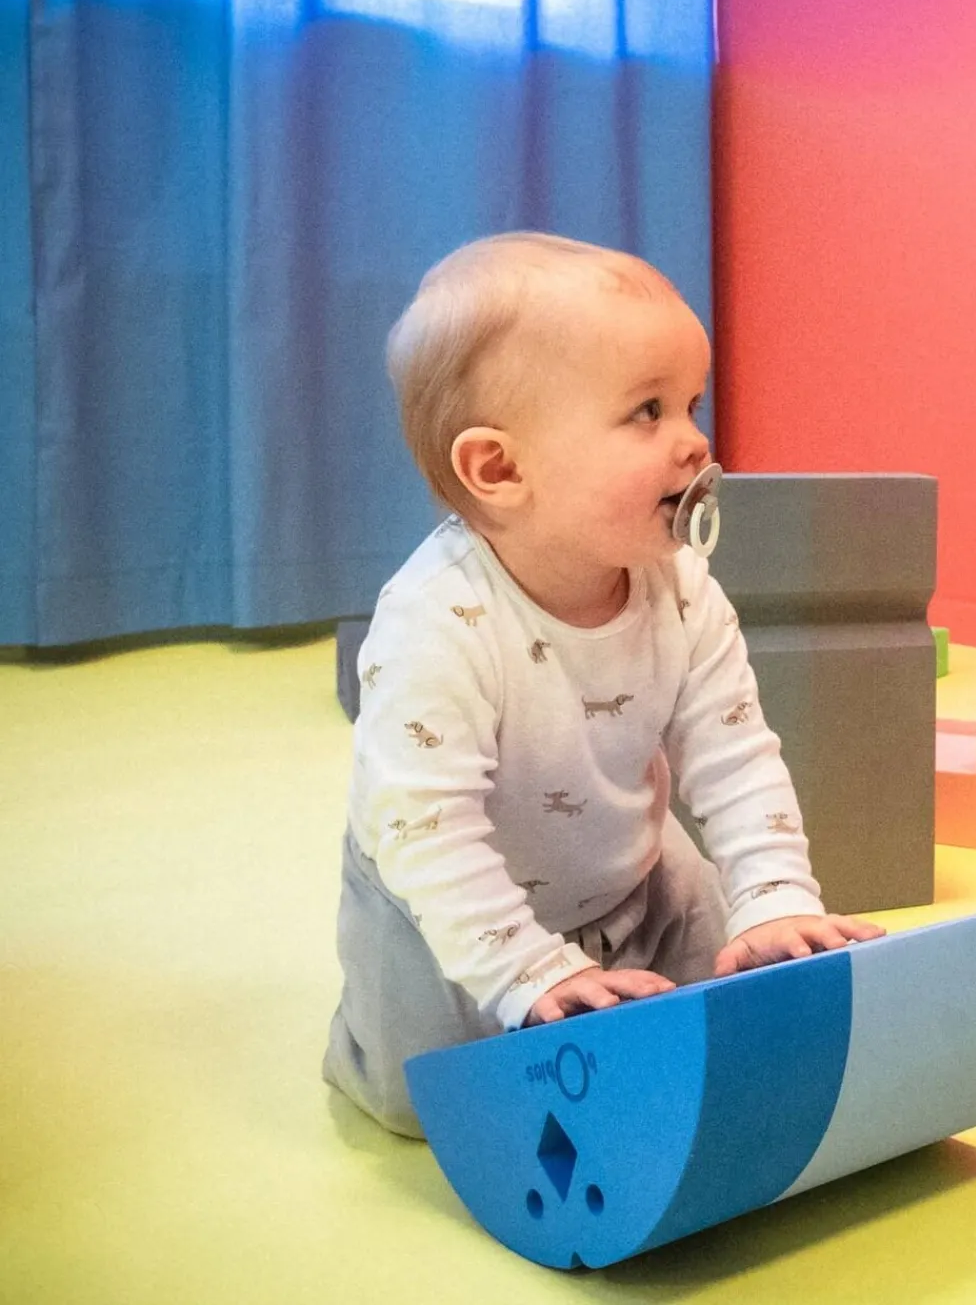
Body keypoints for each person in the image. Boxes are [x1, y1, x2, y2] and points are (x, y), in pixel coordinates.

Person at [323, 232, 884, 1137]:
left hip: (629, 866)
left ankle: (641, 978)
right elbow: (426, 827)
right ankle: (374, 1039)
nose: (694, 441)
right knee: (423, 1104)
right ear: (500, 470)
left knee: (736, 1014)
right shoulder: (437, 622)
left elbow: (737, 756)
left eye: (692, 405)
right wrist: (525, 970)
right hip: (441, 879)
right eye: (647, 412)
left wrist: (775, 897)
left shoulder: (683, 589)